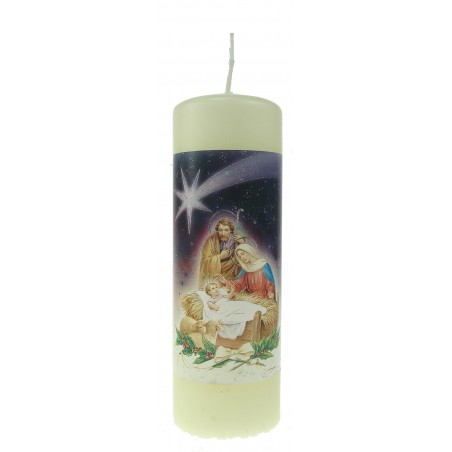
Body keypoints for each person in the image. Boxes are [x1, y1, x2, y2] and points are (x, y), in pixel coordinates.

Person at [198, 219, 244, 288]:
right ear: (217, 230)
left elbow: (247, 257)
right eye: (220, 230)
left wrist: (243, 243)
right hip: (215, 277)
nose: (223, 233)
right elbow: (205, 262)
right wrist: (220, 257)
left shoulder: (237, 240)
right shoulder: (211, 241)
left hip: (231, 276)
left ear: (231, 231)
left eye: (226, 230)